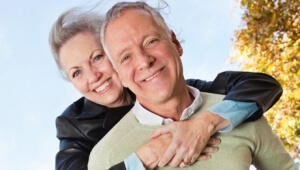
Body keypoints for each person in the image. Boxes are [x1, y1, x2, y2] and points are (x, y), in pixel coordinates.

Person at [50, 7, 283, 170]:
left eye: (97, 58)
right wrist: (146, 155)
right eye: (77, 73)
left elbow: (261, 85)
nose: (93, 76)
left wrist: (204, 123)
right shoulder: (74, 127)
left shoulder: (171, 88)